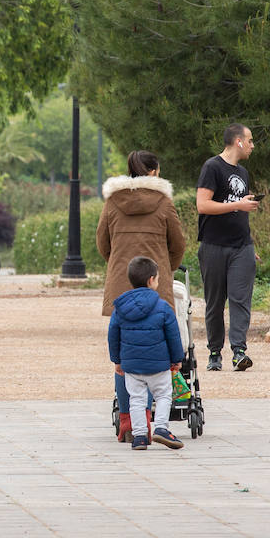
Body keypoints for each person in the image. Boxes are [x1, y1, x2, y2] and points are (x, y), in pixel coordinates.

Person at [97, 150, 187, 442]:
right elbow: (178, 244)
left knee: (124, 355)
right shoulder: (163, 203)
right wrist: (163, 272)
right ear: (152, 173)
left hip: (121, 286)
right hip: (155, 286)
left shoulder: (112, 202)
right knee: (155, 348)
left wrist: (119, 269)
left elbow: (102, 243)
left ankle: (128, 422)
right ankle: (155, 419)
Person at [196, 123, 259, 372]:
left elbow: (240, 211)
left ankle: (239, 352)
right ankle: (214, 352)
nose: (253, 146)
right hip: (213, 245)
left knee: (240, 300)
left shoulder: (242, 172)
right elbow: (203, 205)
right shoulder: (212, 167)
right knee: (214, 302)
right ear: (238, 142)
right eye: (250, 140)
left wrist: (249, 245)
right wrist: (236, 206)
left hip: (241, 247)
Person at [108, 255, 186, 450]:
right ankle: (160, 427)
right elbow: (173, 335)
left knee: (136, 399)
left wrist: (117, 360)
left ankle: (140, 436)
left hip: (132, 366)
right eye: (158, 278)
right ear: (151, 280)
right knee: (163, 395)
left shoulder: (120, 308)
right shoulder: (163, 307)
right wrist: (177, 359)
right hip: (159, 365)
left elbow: (113, 335)